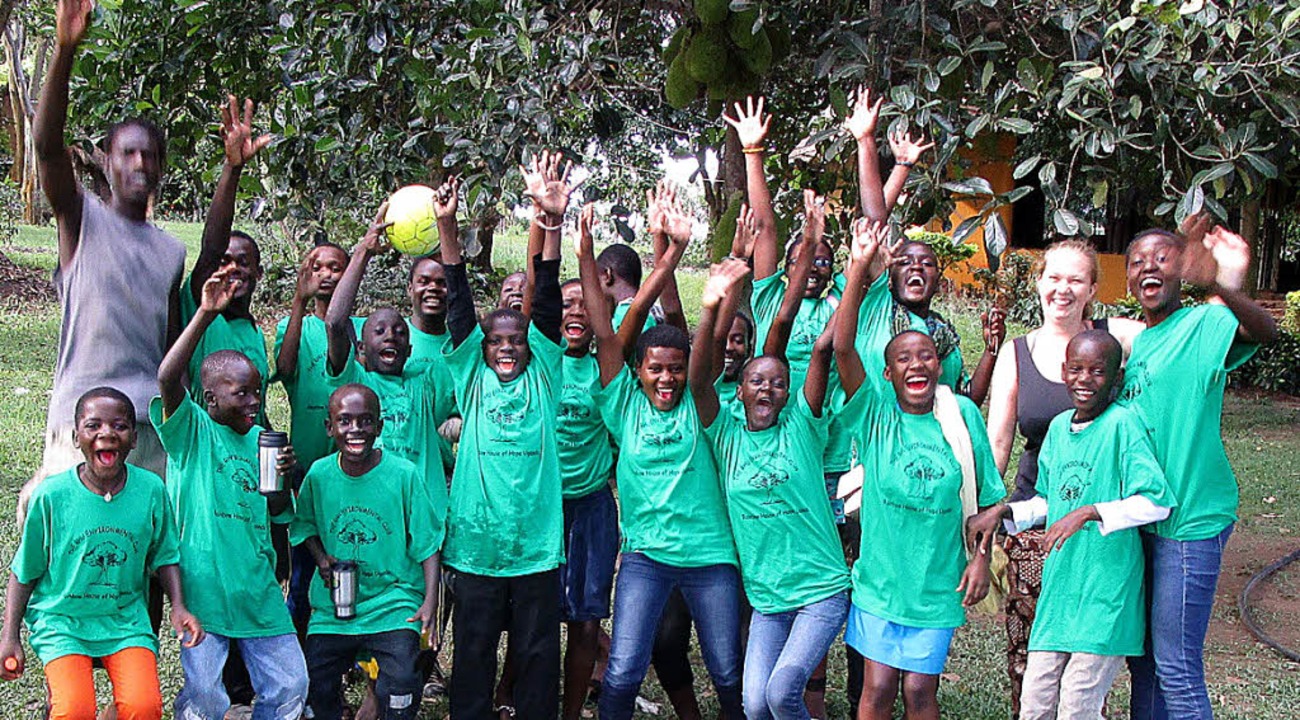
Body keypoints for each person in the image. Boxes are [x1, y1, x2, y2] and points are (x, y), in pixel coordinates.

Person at [578, 189, 745, 720]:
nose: (667, 377)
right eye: (656, 368)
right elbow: (606, 333)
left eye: (674, 367)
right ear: (640, 371)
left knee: (726, 671)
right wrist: (583, 251)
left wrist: (714, 299)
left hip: (711, 557)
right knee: (624, 670)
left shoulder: (700, 403)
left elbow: (702, 361)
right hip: (647, 557)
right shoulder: (623, 403)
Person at [834, 219, 1003, 720]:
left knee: (919, 694)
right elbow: (842, 347)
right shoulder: (877, 413)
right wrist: (860, 267)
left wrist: (980, 561)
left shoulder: (961, 415)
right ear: (888, 373)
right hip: (881, 583)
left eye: (926, 356)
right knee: (877, 688)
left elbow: (990, 502)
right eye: (904, 358)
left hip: (937, 585)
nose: (917, 365)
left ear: (939, 363)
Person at [1116, 218, 1276, 720]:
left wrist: (1221, 285)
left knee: (1176, 665)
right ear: (1126, 280)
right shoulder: (1138, 345)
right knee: (1141, 662)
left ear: (1183, 270)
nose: (1149, 268)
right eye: (1138, 261)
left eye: (1163, 258)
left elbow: (1264, 332)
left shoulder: (1203, 324)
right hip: (1143, 521)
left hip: (1190, 521)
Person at [969, 331, 1175, 719]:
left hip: (1104, 598)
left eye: (1098, 371)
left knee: (1077, 706)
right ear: (1064, 373)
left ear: (1116, 378)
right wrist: (1003, 513)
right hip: (1059, 596)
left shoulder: (1123, 426)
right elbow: (1048, 499)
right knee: (1034, 704)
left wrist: (1090, 512)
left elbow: (1156, 501)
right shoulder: (1060, 429)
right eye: (1076, 369)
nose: (1085, 379)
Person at [438, 152, 574, 719]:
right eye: (496, 342)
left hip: (536, 548)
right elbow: (459, 307)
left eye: (515, 340)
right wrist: (447, 228)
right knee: (473, 659)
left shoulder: (546, 372)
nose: (507, 348)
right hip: (475, 547)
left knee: (538, 657)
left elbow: (543, 304)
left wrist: (550, 220)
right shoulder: (470, 376)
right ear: (483, 349)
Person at [981, 238, 1144, 713]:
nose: (1063, 289)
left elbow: (1174, 338)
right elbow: (998, 442)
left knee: (1086, 670)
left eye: (1076, 279)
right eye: (1054, 277)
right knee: (1032, 662)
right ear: (1038, 283)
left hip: (1101, 530)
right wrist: (992, 519)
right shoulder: (1018, 352)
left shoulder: (1111, 340)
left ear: (1093, 288)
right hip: (1037, 522)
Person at [28, 0, 185, 491]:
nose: (140, 162)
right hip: (80, 420)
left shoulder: (170, 252)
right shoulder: (81, 220)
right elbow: (48, 147)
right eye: (128, 152)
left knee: (139, 558)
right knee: (69, 554)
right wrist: (65, 48)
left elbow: (169, 353)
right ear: (107, 163)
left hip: (145, 429)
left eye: (151, 155)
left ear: (161, 168)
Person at [692, 254, 852, 720]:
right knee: (754, 704)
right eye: (756, 382)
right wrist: (712, 303)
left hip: (821, 590)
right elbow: (700, 378)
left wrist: (857, 272)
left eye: (778, 384)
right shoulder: (725, 436)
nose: (767, 389)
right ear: (739, 391)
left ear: (789, 393)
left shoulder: (804, 427)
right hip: (767, 599)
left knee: (783, 693)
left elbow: (823, 350)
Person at [152, 268, 308, 720]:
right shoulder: (192, 432)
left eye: (257, 392)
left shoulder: (262, 438)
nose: (254, 402)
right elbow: (166, 378)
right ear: (211, 399)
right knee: (206, 696)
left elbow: (277, 513)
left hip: (256, 590)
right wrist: (203, 313)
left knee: (292, 684)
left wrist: (281, 480)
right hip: (204, 590)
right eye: (242, 393)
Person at [0, 387, 203, 720]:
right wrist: (10, 636)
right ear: (76, 436)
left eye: (120, 426)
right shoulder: (51, 496)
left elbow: (164, 554)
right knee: (74, 710)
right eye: (93, 426)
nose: (106, 433)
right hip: (62, 622)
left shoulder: (151, 490)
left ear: (135, 439)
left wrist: (178, 606)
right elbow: (24, 571)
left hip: (124, 622)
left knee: (143, 707)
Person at [291, 384, 442, 720]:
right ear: (329, 427)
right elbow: (305, 526)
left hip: (393, 599)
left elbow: (428, 544)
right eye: (344, 422)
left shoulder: (404, 475)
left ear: (380, 426)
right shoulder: (319, 474)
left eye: (365, 421)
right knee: (314, 680)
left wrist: (429, 601)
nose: (355, 430)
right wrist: (321, 559)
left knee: (401, 681)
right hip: (335, 607)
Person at [323, 202, 457, 506]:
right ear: (360, 348)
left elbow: (458, 318)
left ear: (410, 350)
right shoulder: (355, 381)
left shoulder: (424, 382)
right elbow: (334, 322)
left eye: (399, 332)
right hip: (371, 502)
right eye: (380, 331)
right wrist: (364, 252)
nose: (390, 337)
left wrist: (447, 229)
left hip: (423, 510)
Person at [179, 95, 273, 425]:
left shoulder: (253, 333)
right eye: (224, 261)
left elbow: (256, 410)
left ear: (258, 273)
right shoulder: (201, 312)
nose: (231, 268)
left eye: (243, 262)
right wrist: (233, 168)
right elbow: (210, 248)